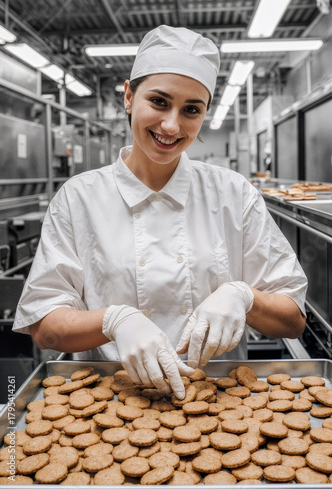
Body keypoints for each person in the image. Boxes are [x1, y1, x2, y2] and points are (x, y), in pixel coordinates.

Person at [13, 25, 307, 400]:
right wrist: (112, 321)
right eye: (159, 101)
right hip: (109, 401)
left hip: (219, 400)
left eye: (191, 110)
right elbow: (44, 326)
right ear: (129, 96)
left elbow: (294, 319)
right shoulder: (79, 199)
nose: (171, 125)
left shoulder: (233, 194)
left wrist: (244, 296)